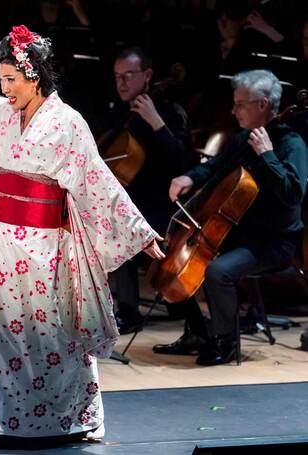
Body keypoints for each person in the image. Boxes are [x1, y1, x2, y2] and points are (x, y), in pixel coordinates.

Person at [0, 13, 163, 448]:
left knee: (54, 332)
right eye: (0, 79)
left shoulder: (69, 123)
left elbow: (96, 180)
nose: (4, 88)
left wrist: (137, 230)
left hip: (45, 245)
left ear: (34, 75)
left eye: (11, 79)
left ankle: (78, 415)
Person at [157, 69, 308, 366]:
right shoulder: (242, 139)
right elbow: (216, 167)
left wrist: (267, 156)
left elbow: (292, 194)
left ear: (262, 104)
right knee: (174, 256)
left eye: (240, 104)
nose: (233, 110)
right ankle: (199, 333)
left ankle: (226, 343)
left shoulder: (292, 145)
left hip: (274, 242)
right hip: (238, 233)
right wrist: (189, 176)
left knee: (217, 271)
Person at [105, 47, 197, 334]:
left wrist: (156, 121)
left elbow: (185, 162)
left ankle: (174, 314)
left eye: (128, 76)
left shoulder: (170, 111)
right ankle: (125, 311)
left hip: (161, 204)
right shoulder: (120, 113)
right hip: (131, 202)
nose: (122, 83)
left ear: (147, 76)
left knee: (122, 231)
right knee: (113, 228)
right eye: (117, 76)